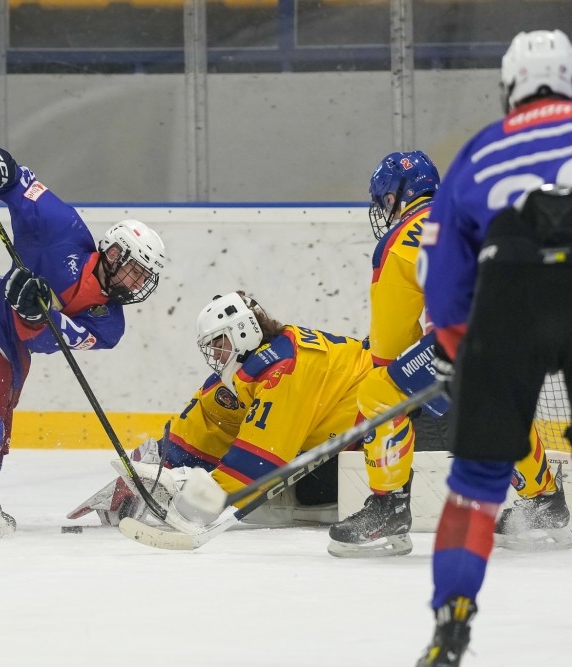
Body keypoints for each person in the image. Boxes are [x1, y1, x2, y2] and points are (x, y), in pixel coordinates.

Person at [415, 29, 572, 667]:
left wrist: (458, 349)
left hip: (510, 293)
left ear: (510, 87)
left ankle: (450, 624)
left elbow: (440, 275)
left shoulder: (481, 150)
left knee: (476, 485)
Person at [0, 146, 167, 521]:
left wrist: (38, 313)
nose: (136, 284)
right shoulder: (63, 228)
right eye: (134, 271)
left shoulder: (108, 324)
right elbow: (18, 184)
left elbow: (46, 339)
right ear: (113, 254)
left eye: (143, 278)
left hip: (10, 349)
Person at [121, 291, 373, 535]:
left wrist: (204, 502)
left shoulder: (286, 370)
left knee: (311, 491)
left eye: (219, 343)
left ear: (243, 331)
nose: (216, 355)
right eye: (211, 347)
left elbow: (262, 455)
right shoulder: (256, 364)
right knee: (294, 488)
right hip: (343, 433)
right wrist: (161, 463)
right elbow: (209, 421)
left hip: (381, 430)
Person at [327, 150, 448, 557]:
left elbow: (389, 348)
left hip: (459, 340)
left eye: (385, 200)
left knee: (379, 391)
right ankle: (545, 503)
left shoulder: (399, 241)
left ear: (398, 195)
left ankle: (388, 511)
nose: (384, 209)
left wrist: (396, 389)